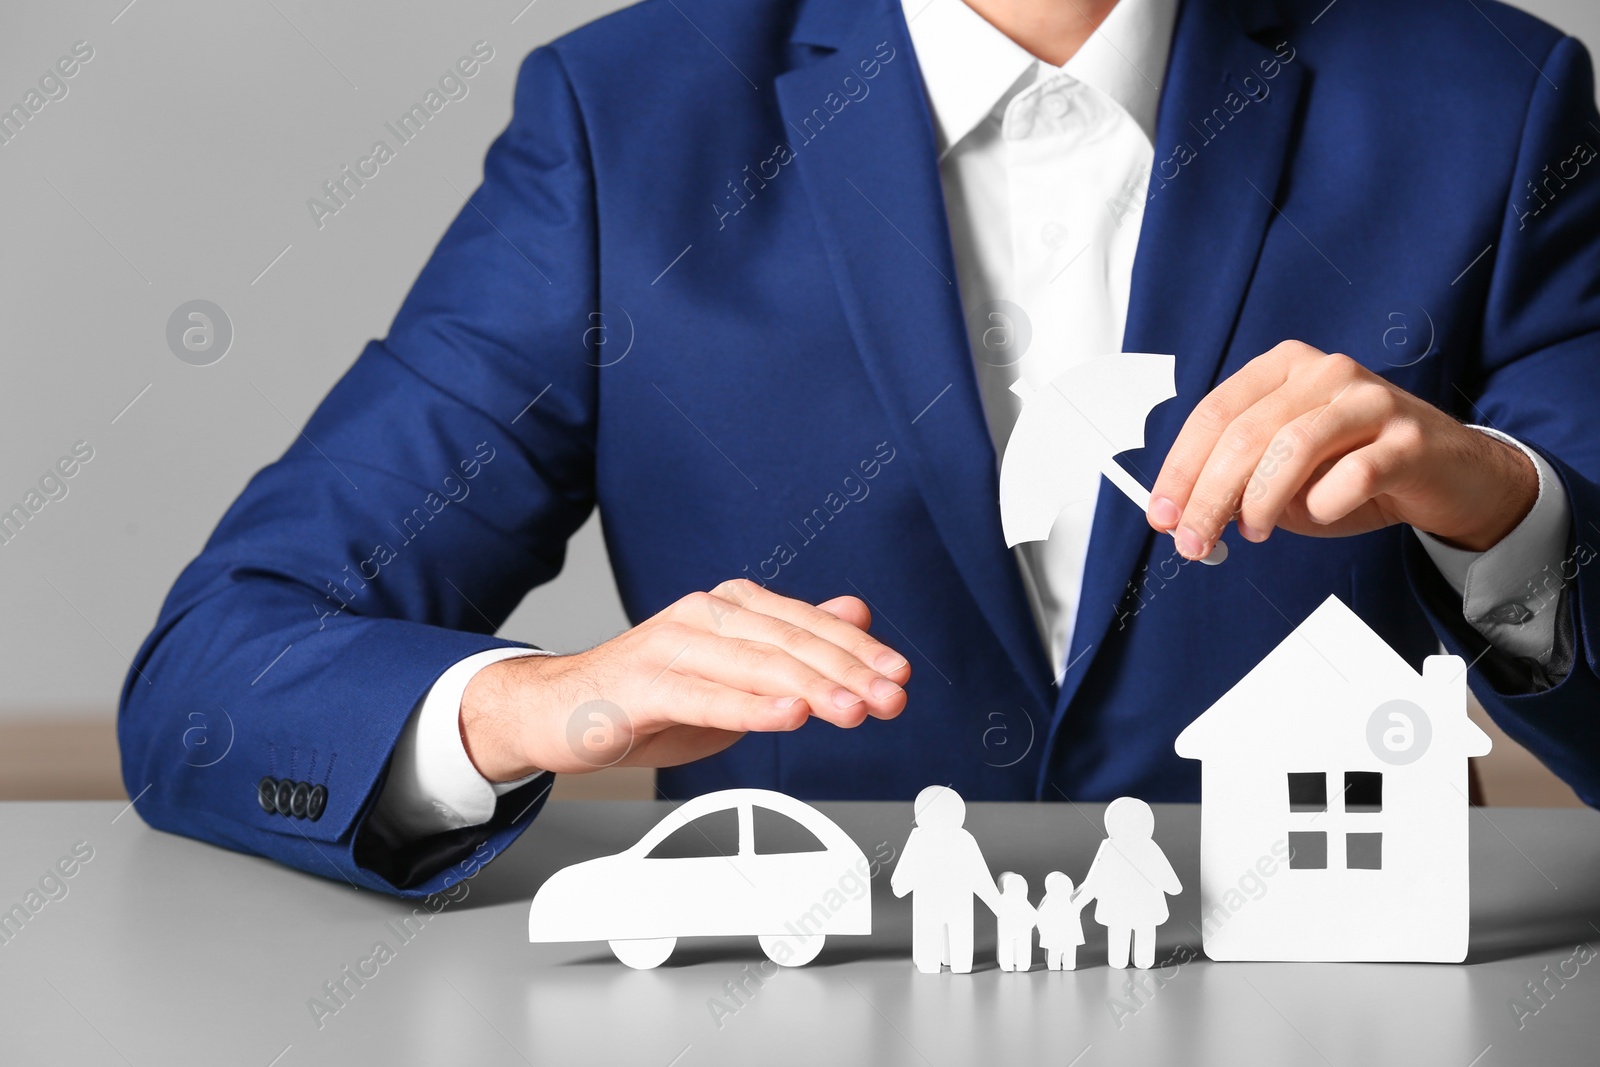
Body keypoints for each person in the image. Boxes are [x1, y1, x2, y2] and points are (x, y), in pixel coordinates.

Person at [119, 0, 1600, 898]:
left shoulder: (1489, 102)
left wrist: (1505, 514)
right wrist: (535, 706)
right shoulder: (624, 123)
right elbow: (210, 673)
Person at [890, 786, 1002, 973]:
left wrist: (900, 885)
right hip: (956, 904)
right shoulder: (963, 839)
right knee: (955, 934)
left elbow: (903, 878)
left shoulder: (922, 839)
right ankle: (955, 963)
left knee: (933, 934)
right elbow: (980, 876)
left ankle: (934, 963)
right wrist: (997, 905)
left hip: (933, 904)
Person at [1074, 798, 1182, 969]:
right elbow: (1095, 879)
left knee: (1138, 932)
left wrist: (1078, 903)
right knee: (1123, 932)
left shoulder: (1146, 847)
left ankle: (1138, 960)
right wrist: (1079, 902)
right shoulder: (1114, 847)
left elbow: (1168, 879)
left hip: (1137, 906)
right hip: (1127, 905)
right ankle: (1128, 960)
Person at [1036, 871, 1087, 971]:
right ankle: (1055, 964)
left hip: (1069, 937)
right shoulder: (1048, 905)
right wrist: (1043, 932)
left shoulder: (1072, 903)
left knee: (1069, 956)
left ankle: (1066, 964)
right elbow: (1039, 919)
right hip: (1054, 937)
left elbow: (1083, 889)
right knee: (1054, 955)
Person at [995, 871, 1039, 972]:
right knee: (1010, 945)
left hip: (1018, 930)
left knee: (1015, 945)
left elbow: (1035, 916)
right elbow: (1035, 916)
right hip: (1014, 930)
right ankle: (1010, 964)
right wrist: (1033, 923)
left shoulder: (1021, 901)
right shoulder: (1007, 901)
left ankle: (1019, 964)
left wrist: (1033, 923)